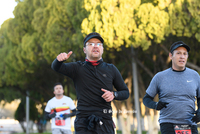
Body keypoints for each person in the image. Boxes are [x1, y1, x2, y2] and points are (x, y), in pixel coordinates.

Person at [51, 32, 129, 134]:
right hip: (83, 123)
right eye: (91, 44)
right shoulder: (77, 68)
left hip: (105, 122)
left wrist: (114, 94)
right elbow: (56, 67)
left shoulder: (111, 69)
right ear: (84, 49)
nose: (95, 46)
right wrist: (58, 60)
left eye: (99, 44)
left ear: (102, 49)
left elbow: (125, 92)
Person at [143, 41, 200, 134]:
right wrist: (156, 105)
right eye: (178, 53)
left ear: (187, 57)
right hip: (168, 123)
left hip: (190, 123)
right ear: (170, 56)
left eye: (184, 54)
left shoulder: (195, 76)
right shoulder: (160, 77)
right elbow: (146, 99)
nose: (182, 56)